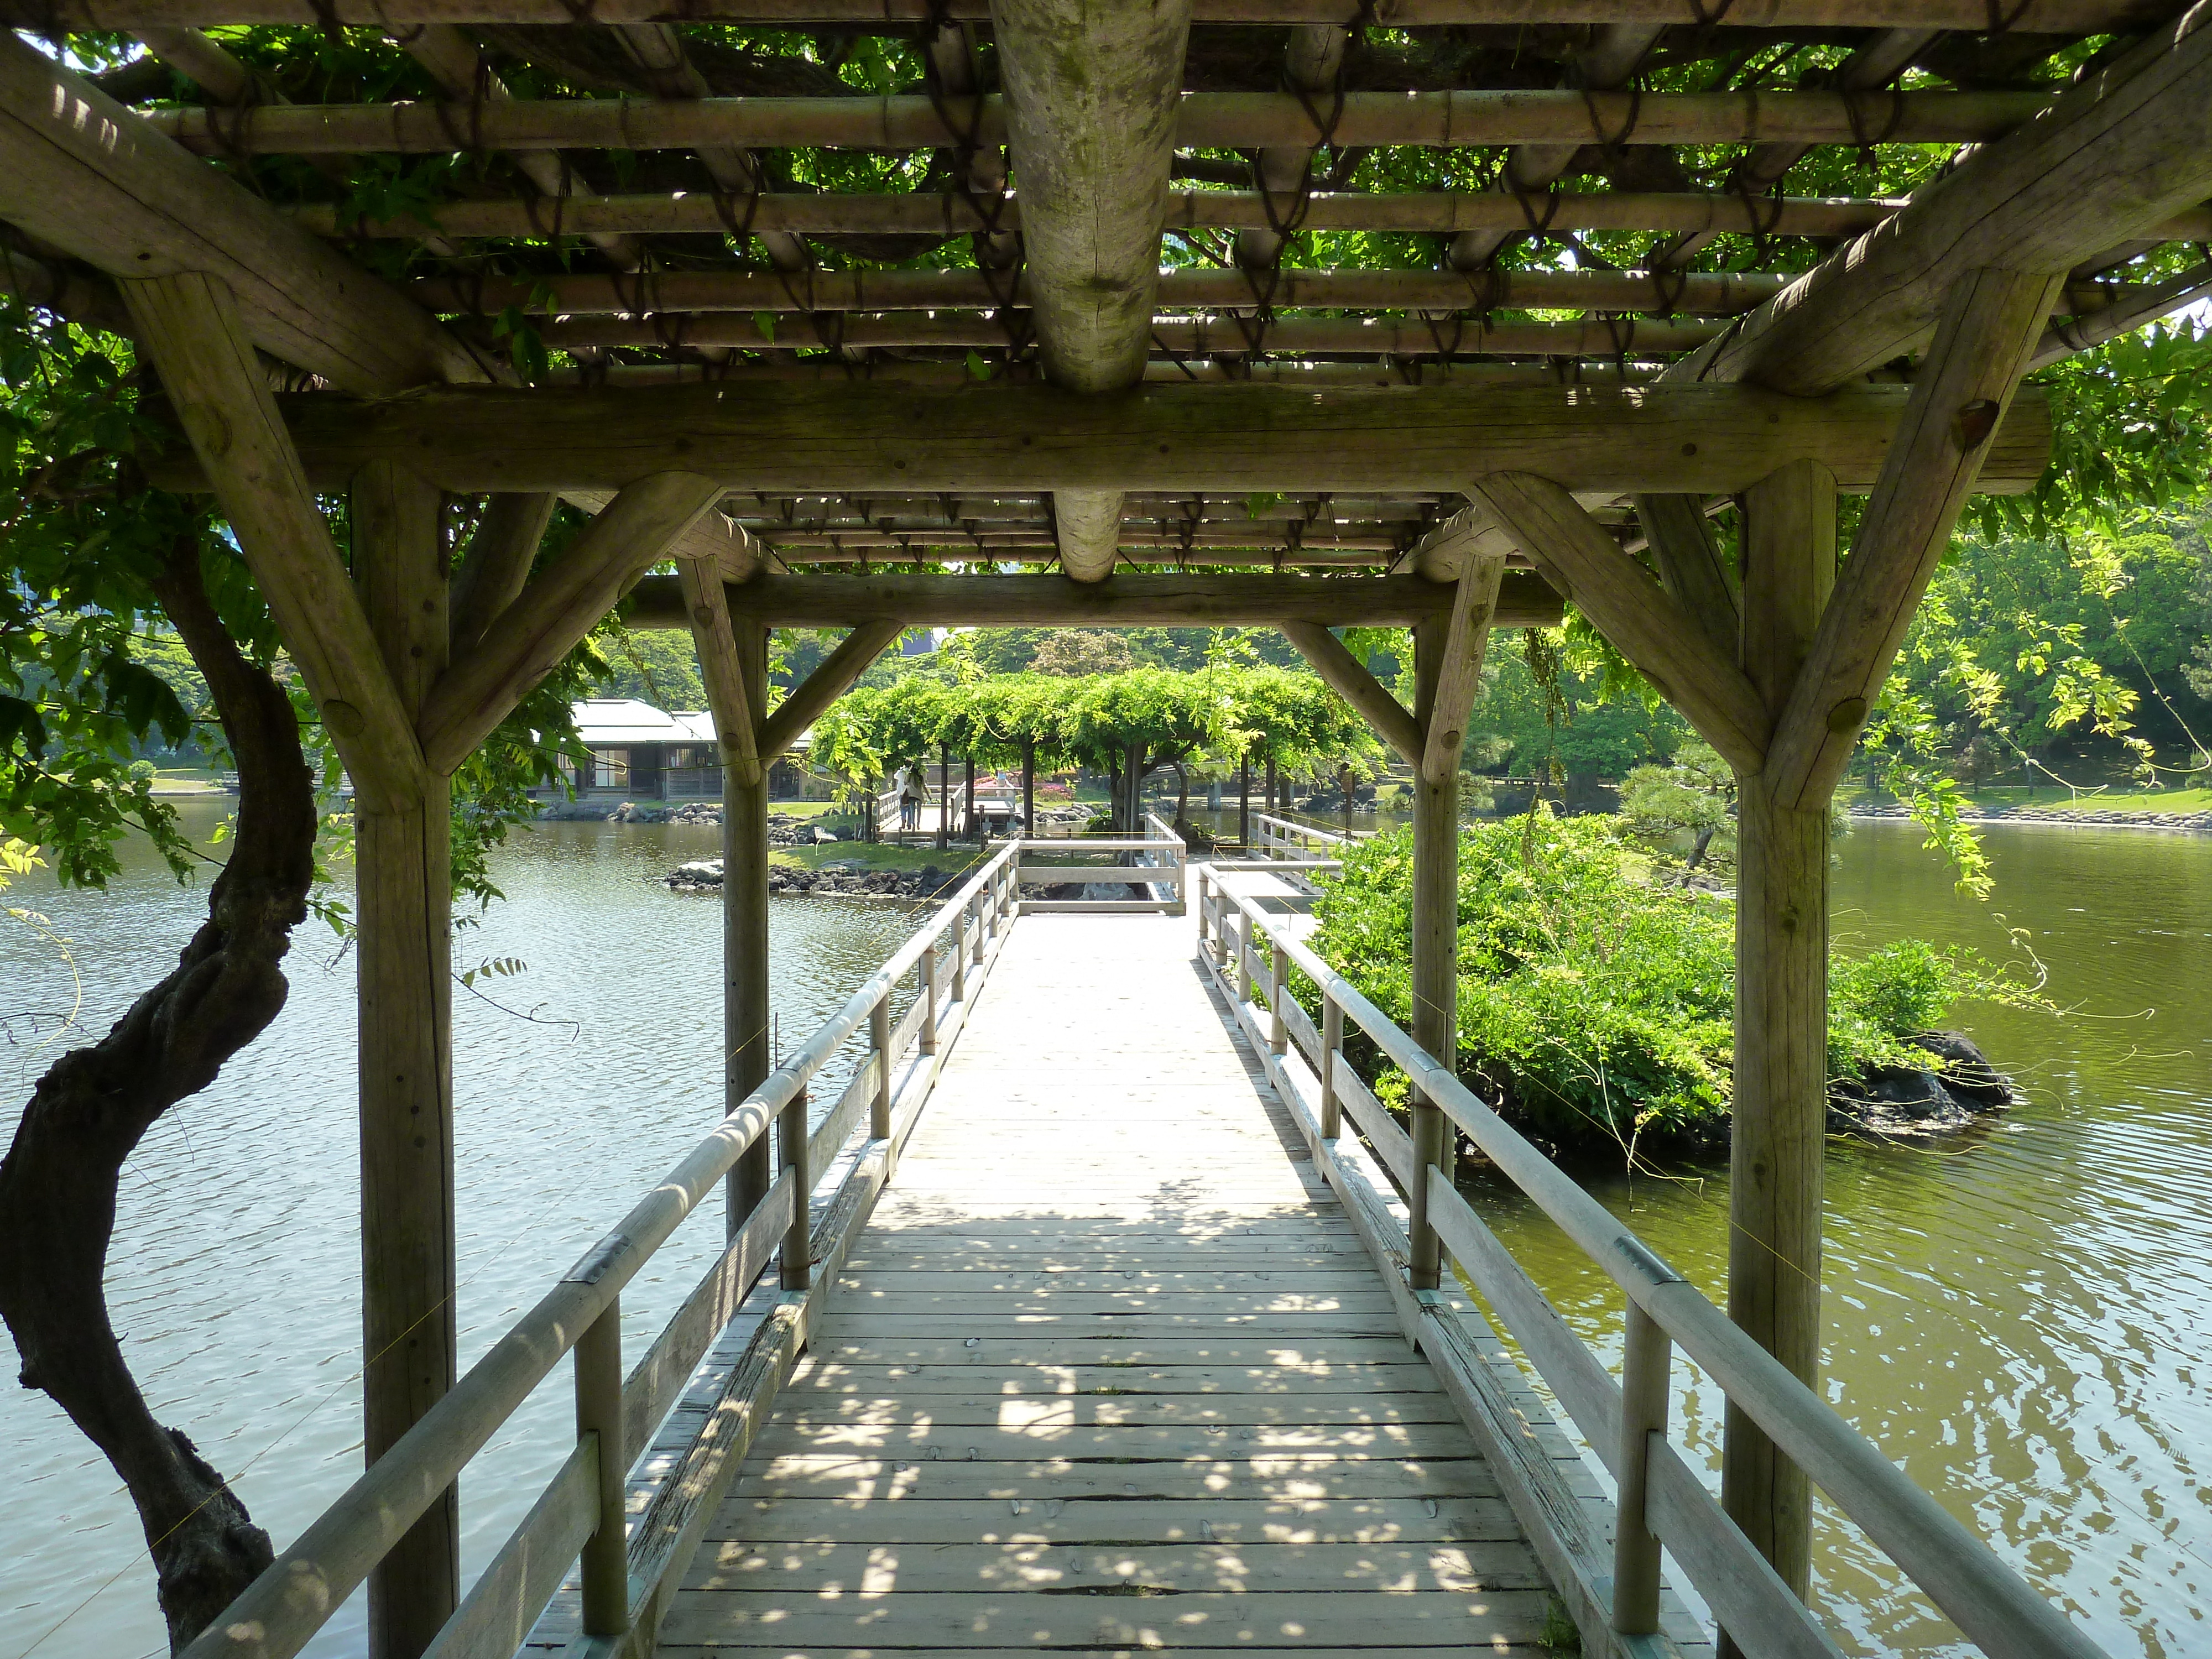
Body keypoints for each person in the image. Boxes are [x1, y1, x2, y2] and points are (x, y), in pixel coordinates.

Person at [899, 762, 928, 832]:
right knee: (919, 811)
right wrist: (928, 796)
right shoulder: (920, 777)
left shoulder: (909, 775)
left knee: (912, 811)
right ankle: (918, 824)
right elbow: (924, 787)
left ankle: (913, 825)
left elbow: (905, 783)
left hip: (911, 795)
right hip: (919, 796)